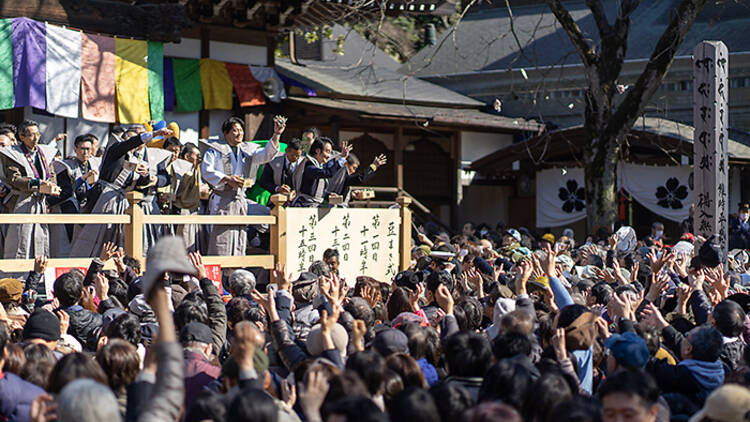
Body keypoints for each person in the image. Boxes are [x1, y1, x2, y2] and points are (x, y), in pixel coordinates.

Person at [69, 126, 173, 257]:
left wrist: (146, 176)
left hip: (121, 201)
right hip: (104, 197)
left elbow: (139, 183)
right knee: (95, 236)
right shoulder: (115, 150)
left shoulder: (134, 161)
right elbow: (130, 143)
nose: (132, 142)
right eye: (129, 138)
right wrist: (154, 134)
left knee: (119, 239)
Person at [201, 116, 285, 258]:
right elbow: (207, 171)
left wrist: (276, 134)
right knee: (221, 236)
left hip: (240, 198)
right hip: (222, 199)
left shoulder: (247, 150)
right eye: (234, 130)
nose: (239, 133)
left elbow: (266, 155)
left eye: (240, 130)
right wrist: (227, 179)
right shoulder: (214, 150)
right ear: (226, 133)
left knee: (239, 235)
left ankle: (236, 270)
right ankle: (220, 275)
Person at [0, 120, 60, 259]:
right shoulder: (13, 153)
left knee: (40, 239)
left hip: (41, 202)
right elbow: (14, 178)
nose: (36, 138)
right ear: (22, 137)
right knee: (19, 240)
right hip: (20, 202)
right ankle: (16, 277)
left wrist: (52, 186)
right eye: (31, 135)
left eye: (37, 134)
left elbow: (51, 174)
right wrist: (37, 183)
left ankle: (38, 275)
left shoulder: (44, 152)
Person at [292, 137, 352, 207]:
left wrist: (328, 195)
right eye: (327, 151)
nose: (329, 156)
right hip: (304, 206)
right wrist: (342, 158)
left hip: (313, 205)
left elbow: (314, 191)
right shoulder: (309, 166)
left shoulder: (317, 166)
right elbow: (328, 173)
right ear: (318, 151)